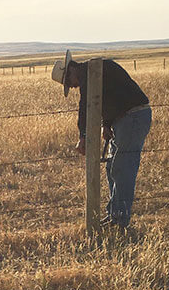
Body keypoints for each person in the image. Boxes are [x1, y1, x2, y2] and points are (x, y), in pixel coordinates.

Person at [64, 56, 152, 229]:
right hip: (125, 119)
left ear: (71, 70)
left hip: (132, 117)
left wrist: (83, 135)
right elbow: (110, 97)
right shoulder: (93, 72)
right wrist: (107, 124)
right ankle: (115, 215)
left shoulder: (90, 73)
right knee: (112, 167)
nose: (73, 87)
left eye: (69, 82)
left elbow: (86, 105)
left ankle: (121, 220)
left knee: (122, 168)